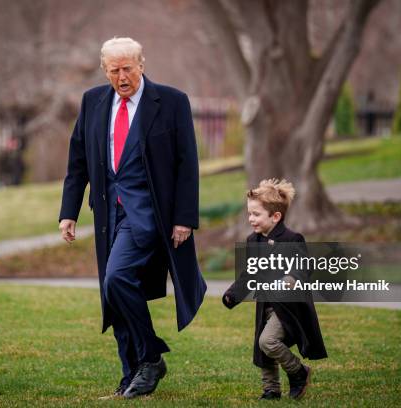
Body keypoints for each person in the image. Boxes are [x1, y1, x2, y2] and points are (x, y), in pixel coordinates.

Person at [58, 37, 206, 399]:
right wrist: (69, 212)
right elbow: (78, 161)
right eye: (114, 70)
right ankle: (131, 376)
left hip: (148, 213)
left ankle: (151, 358)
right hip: (108, 213)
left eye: (127, 68)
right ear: (104, 70)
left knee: (118, 278)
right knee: (114, 292)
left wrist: (184, 218)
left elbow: (187, 163)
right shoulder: (93, 102)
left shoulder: (171, 102)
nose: (122, 77)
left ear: (141, 64)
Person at [222, 178, 327, 401]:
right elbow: (250, 273)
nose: (251, 219)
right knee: (262, 348)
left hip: (289, 306)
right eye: (249, 214)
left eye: (256, 214)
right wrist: (233, 294)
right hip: (266, 305)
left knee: (267, 341)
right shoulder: (254, 241)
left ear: (275, 216)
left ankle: (298, 371)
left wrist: (289, 278)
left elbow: (303, 268)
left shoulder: (291, 239)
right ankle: (271, 389)